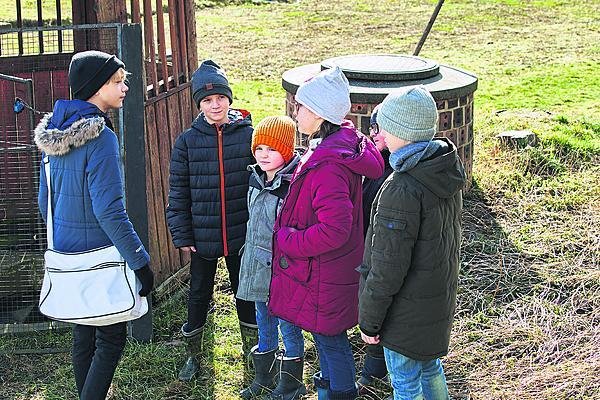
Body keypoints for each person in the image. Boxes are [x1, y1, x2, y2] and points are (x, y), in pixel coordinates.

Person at [35, 50, 154, 400]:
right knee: (112, 338)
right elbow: (110, 210)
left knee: (84, 335)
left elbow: (46, 202)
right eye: (116, 82)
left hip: (65, 254)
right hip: (101, 255)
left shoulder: (53, 135)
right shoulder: (101, 138)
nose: (125, 87)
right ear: (93, 87)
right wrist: (140, 261)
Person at [268, 66, 384, 400]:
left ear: (319, 114)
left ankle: (340, 393)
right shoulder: (334, 148)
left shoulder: (330, 165)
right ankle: (330, 390)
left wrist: (288, 239)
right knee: (326, 340)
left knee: (331, 341)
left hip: (324, 271)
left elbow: (335, 229)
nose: (295, 112)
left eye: (300, 107)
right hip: (328, 270)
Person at [358, 86, 466, 400]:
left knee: (405, 384)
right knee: (430, 368)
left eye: (385, 127)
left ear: (400, 132)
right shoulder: (442, 170)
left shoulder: (401, 187)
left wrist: (370, 320)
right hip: (433, 302)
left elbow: (388, 265)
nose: (380, 135)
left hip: (403, 313)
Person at [166, 59, 257, 381]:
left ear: (229, 99)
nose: (215, 105)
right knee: (199, 294)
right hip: (202, 235)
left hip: (241, 232)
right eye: (207, 100)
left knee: (244, 292)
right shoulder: (187, 142)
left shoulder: (248, 135)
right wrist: (182, 233)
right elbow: (177, 192)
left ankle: (252, 353)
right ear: (199, 104)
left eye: (220, 98)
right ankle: (194, 355)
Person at [236, 116, 305, 399]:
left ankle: (291, 384)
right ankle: (264, 376)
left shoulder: (292, 185)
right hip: (256, 266)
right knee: (263, 320)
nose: (264, 154)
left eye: (272, 149)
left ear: (286, 151)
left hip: (282, 270)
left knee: (288, 326)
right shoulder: (254, 178)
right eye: (259, 148)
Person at [357, 105, 394, 392]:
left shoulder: (398, 168)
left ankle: (376, 364)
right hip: (366, 241)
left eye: (379, 128)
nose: (374, 134)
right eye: (372, 128)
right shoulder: (372, 161)